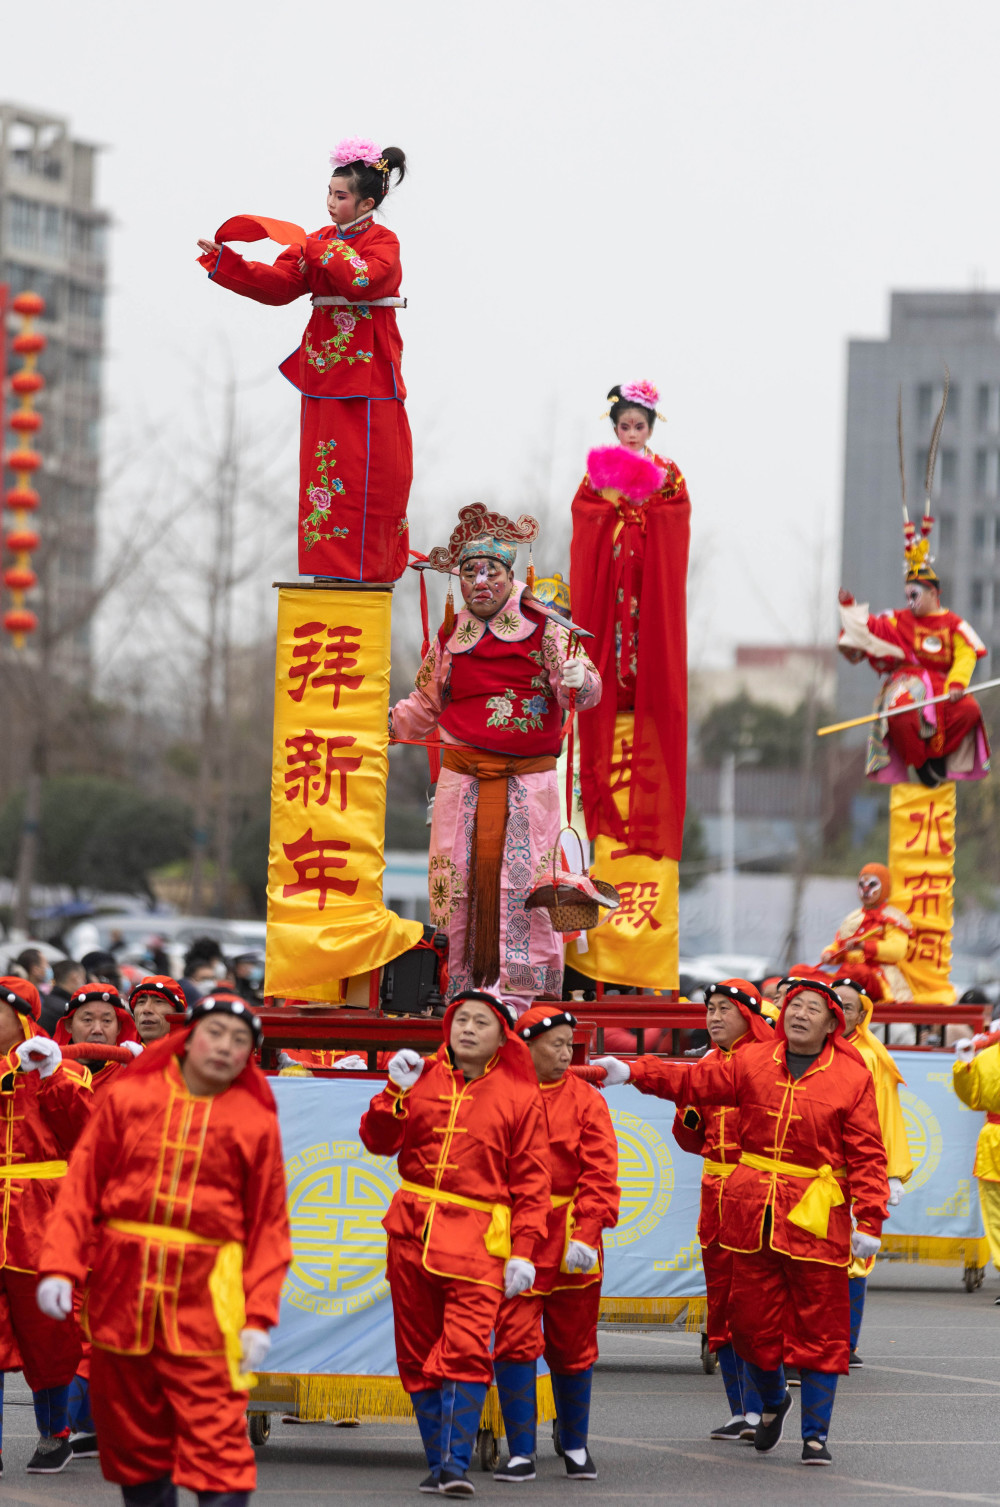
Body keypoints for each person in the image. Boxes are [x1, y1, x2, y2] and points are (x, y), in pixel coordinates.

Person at [594, 978, 888, 1466]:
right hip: (750, 1214)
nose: (800, 1014)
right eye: (794, 1006)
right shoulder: (752, 1061)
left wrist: (870, 1218)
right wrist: (632, 1071)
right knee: (747, 1324)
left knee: (820, 1327)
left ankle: (816, 1436)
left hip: (816, 1217)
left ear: (832, 1024)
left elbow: (868, 1154)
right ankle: (772, 1401)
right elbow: (693, 1082)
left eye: (813, 1009)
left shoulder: (852, 1077)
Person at [37, 990, 291, 1507]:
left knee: (217, 1437)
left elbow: (269, 1228)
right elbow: (82, 1186)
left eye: (239, 1040)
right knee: (131, 1440)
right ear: (188, 1039)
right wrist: (60, 1265)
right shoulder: (130, 1100)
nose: (224, 1047)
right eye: (214, 1033)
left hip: (208, 1300)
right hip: (122, 1289)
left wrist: (258, 1316)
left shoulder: (254, 1120)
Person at [390, 508, 601, 1015]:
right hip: (462, 780)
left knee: (525, 885)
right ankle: (462, 994)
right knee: (455, 883)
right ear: (458, 580)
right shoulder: (451, 635)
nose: (480, 582)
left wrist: (580, 678)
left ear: (512, 575)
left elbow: (581, 692)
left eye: (491, 571)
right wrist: (379, 726)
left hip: (527, 784)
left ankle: (522, 1000)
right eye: (469, 572)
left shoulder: (547, 628)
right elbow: (425, 705)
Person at [359, 990, 551, 1495]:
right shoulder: (417, 1076)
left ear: (502, 1038)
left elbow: (533, 1183)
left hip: (478, 1241)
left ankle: (454, 1465)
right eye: (460, 1019)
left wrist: (524, 1252)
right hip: (411, 1232)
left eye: (480, 1022)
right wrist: (392, 1093)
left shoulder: (520, 1095)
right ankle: (437, 1462)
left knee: (466, 1349)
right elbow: (378, 1142)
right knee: (414, 1354)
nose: (467, 1028)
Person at [196, 138, 411, 583]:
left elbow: (363, 279)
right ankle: (326, 569)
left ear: (367, 203)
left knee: (370, 472)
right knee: (322, 475)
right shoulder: (315, 242)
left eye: (341, 196)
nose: (330, 203)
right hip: (324, 375)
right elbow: (278, 286)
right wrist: (227, 263)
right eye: (329, 193)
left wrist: (314, 250)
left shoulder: (382, 242)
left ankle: (368, 569)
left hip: (371, 374)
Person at [567, 381, 691, 988]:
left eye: (640, 425)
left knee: (647, 633)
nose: (632, 433)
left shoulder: (668, 476)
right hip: (612, 576)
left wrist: (644, 521)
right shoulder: (598, 476)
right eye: (624, 424)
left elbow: (675, 520)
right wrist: (615, 519)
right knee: (609, 638)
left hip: (647, 577)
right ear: (614, 426)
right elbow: (585, 519)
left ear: (651, 427)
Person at [491, 1005, 619, 1483]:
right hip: (514, 1237)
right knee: (514, 1340)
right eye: (557, 1045)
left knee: (573, 1344)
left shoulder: (586, 1099)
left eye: (570, 1045)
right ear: (526, 1046)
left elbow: (601, 1172)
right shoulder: (499, 1095)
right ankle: (520, 1451)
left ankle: (575, 1444)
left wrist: (587, 1232)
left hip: (570, 1235)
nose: (567, 1054)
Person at [670, 981, 774, 1443]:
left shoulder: (771, 1063)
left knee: (757, 1304)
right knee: (723, 1302)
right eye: (709, 1009)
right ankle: (741, 1411)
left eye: (723, 1010)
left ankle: (765, 1404)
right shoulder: (706, 1066)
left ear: (747, 1015)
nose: (713, 1018)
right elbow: (688, 1138)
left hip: (759, 1193)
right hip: (715, 1193)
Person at [0, 975, 92, 1476]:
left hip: (40, 1217)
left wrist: (53, 1075)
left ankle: (54, 1434)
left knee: (48, 1335)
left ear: (19, 1017)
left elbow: (85, 1133)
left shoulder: (65, 1069)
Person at [838, 515, 988, 786]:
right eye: (907, 595)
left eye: (915, 595)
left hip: (943, 686)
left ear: (933, 593)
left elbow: (966, 654)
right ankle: (919, 762)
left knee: (969, 709)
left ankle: (936, 756)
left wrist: (957, 683)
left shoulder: (954, 624)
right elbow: (874, 627)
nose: (910, 601)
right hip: (907, 682)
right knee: (900, 708)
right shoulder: (898, 619)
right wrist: (851, 609)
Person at [832, 976, 913, 1360]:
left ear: (861, 1015)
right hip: (809, 1168)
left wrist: (890, 1172)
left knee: (854, 1258)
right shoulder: (809, 1049)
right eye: (833, 1003)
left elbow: (887, 1116)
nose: (838, 1011)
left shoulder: (870, 1056)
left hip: (855, 1169)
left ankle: (844, 1344)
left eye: (847, 1006)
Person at [820, 864, 914, 1004]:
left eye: (872, 885)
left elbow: (898, 951)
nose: (865, 890)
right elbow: (838, 946)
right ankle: (833, 992)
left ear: (885, 887)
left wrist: (865, 946)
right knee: (799, 971)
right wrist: (829, 954)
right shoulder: (853, 917)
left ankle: (833, 994)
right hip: (846, 972)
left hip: (877, 976)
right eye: (861, 885)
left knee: (858, 972)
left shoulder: (893, 917)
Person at [951, 1032, 1000, 1301]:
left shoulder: (988, 1054)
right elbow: (972, 1098)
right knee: (995, 1215)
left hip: (993, 1141)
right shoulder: (986, 1056)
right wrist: (965, 1065)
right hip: (994, 1141)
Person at [54, 983, 143, 1096]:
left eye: (106, 1021)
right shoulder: (51, 1071)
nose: (97, 1030)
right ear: (69, 1025)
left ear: (119, 1027)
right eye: (87, 1020)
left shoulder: (131, 1074)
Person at [130, 975, 187, 1045]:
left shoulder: (191, 1050)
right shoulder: (121, 1049)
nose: (146, 1010)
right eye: (141, 1002)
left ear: (177, 1013)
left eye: (158, 1001)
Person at [39, 958, 86, 1036]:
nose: (84, 984)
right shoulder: (67, 1010)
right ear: (75, 977)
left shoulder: (47, 1001)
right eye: (84, 979)